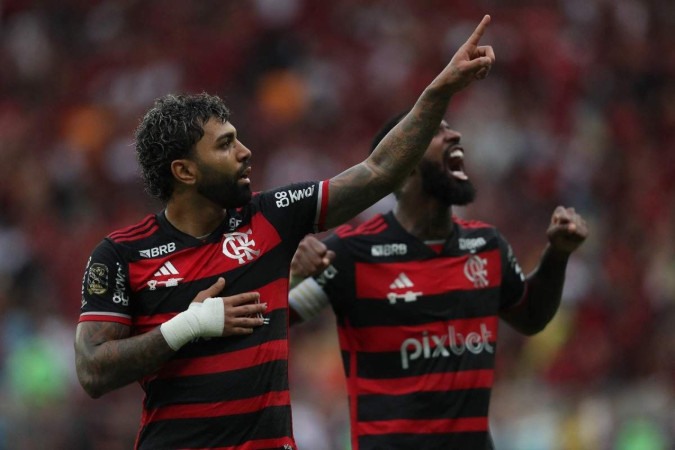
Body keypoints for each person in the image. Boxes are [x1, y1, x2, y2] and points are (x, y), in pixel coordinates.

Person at [73, 15, 496, 450]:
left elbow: (379, 171)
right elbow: (92, 371)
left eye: (236, 138)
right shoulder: (121, 254)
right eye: (224, 145)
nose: (244, 152)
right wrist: (187, 326)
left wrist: (439, 91)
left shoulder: (273, 216)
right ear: (184, 171)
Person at [288, 113, 588, 449]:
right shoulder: (352, 254)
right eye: (435, 132)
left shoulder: (487, 247)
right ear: (401, 167)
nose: (454, 135)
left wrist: (558, 254)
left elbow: (531, 316)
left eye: (449, 128)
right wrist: (292, 274)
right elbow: (277, 315)